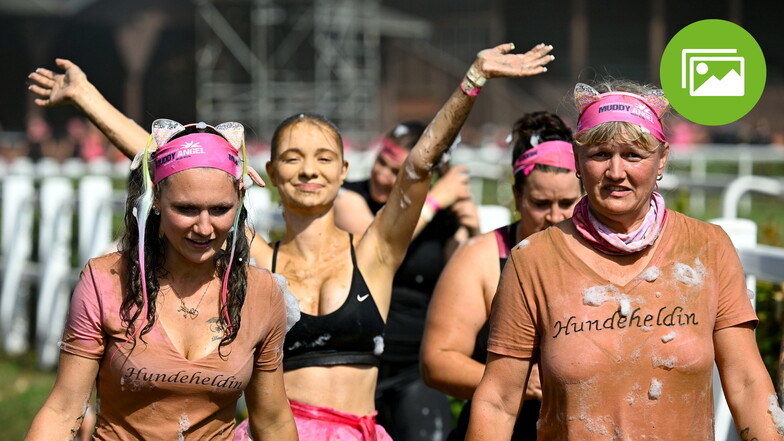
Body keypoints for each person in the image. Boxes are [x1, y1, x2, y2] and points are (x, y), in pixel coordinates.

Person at [29, 42, 556, 440]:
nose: (309, 170)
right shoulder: (254, 258)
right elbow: (178, 167)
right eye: (293, 158)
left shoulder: (373, 253)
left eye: (324, 157)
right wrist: (85, 96)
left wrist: (473, 78)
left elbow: (418, 167)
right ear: (269, 175)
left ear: (346, 168)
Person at [465, 80, 784, 440]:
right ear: (578, 160)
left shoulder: (708, 248)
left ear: (662, 158)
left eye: (634, 155)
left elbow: (746, 384)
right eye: (600, 154)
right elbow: (498, 401)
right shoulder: (533, 260)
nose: (616, 172)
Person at [25, 120, 298, 440]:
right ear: (155, 199)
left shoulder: (261, 293)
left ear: (239, 200)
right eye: (186, 209)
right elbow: (63, 410)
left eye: (220, 209)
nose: (204, 228)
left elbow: (273, 420)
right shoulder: (107, 281)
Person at [421, 111, 581, 440]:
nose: (554, 216)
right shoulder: (480, 258)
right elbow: (437, 361)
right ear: (518, 196)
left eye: (567, 202)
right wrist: (518, 383)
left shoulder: (601, 257)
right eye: (540, 203)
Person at [335, 121, 479, 440]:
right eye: (380, 162)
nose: (382, 175)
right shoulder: (349, 198)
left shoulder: (442, 218)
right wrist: (438, 198)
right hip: (360, 363)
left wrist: (469, 228)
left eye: (395, 170)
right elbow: (377, 246)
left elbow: (463, 278)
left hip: (415, 364)